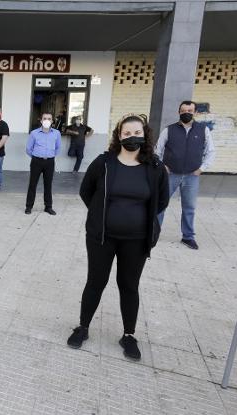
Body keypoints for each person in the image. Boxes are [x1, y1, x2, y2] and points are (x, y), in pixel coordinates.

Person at [67, 114, 169, 361]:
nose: (131, 137)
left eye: (136, 133)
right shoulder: (104, 163)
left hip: (137, 240)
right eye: (126, 133)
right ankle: (83, 328)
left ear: (144, 135)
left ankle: (129, 335)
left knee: (129, 286)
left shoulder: (155, 167)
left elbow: (161, 201)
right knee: (96, 281)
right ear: (118, 136)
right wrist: (101, 214)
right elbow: (86, 191)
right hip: (102, 237)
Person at [155, 100, 216, 250]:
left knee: (189, 207)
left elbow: (211, 151)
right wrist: (163, 166)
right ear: (179, 112)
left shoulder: (203, 130)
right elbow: (157, 150)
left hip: (192, 176)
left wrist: (202, 168)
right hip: (171, 175)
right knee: (160, 204)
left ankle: (188, 237)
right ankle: (153, 234)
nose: (186, 113)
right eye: (183, 111)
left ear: (195, 112)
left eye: (190, 110)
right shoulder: (169, 130)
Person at [25, 112, 61, 215]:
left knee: (48, 185)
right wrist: (36, 156)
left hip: (50, 162)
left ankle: (48, 207)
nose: (47, 120)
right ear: (41, 120)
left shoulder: (56, 133)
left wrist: (50, 155)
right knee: (32, 184)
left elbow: (58, 147)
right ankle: (29, 206)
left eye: (49, 119)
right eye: (44, 118)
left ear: (52, 121)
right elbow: (28, 149)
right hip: (36, 161)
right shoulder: (34, 133)